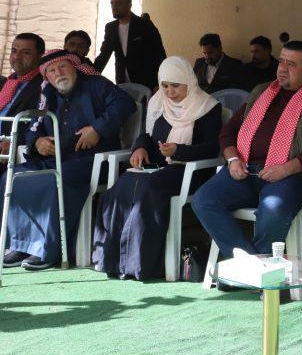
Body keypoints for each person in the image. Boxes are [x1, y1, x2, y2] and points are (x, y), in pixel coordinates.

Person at [191, 41, 302, 286]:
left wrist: (288, 167)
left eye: (291, 64)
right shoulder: (261, 92)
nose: (282, 68)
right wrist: (232, 159)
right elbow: (228, 131)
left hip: (289, 175)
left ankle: (252, 275)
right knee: (203, 201)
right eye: (281, 61)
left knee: (273, 211)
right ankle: (253, 270)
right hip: (244, 170)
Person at [1, 50, 135, 270]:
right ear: (46, 76)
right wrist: (37, 142)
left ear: (74, 66)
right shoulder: (46, 94)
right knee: (13, 176)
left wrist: (97, 129)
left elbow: (125, 103)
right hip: (57, 158)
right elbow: (32, 127)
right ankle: (20, 245)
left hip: (92, 160)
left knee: (55, 179)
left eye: (62, 66)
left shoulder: (97, 84)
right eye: (52, 70)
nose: (58, 73)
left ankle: (48, 251)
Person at [92, 56, 222, 280]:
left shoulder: (208, 107)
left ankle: (138, 264)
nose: (169, 92)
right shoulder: (158, 103)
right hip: (160, 168)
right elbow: (148, 135)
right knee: (121, 186)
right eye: (165, 86)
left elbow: (212, 148)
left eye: (175, 86)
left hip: (190, 172)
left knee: (147, 189)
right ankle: (113, 261)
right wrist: (140, 147)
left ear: (189, 82)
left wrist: (178, 151)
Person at [94, 0, 166, 91]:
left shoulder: (145, 25)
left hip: (147, 83)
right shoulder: (111, 28)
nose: (114, 7)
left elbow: (159, 54)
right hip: (122, 84)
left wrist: (159, 82)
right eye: (112, 3)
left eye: (118, 3)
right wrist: (89, 76)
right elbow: (104, 55)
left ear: (129, 5)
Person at [0, 34, 46, 163]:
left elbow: (40, 123)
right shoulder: (5, 82)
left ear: (40, 57)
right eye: (14, 51)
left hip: (11, 147)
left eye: (25, 52)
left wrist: (14, 141)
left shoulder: (44, 86)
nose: (17, 57)